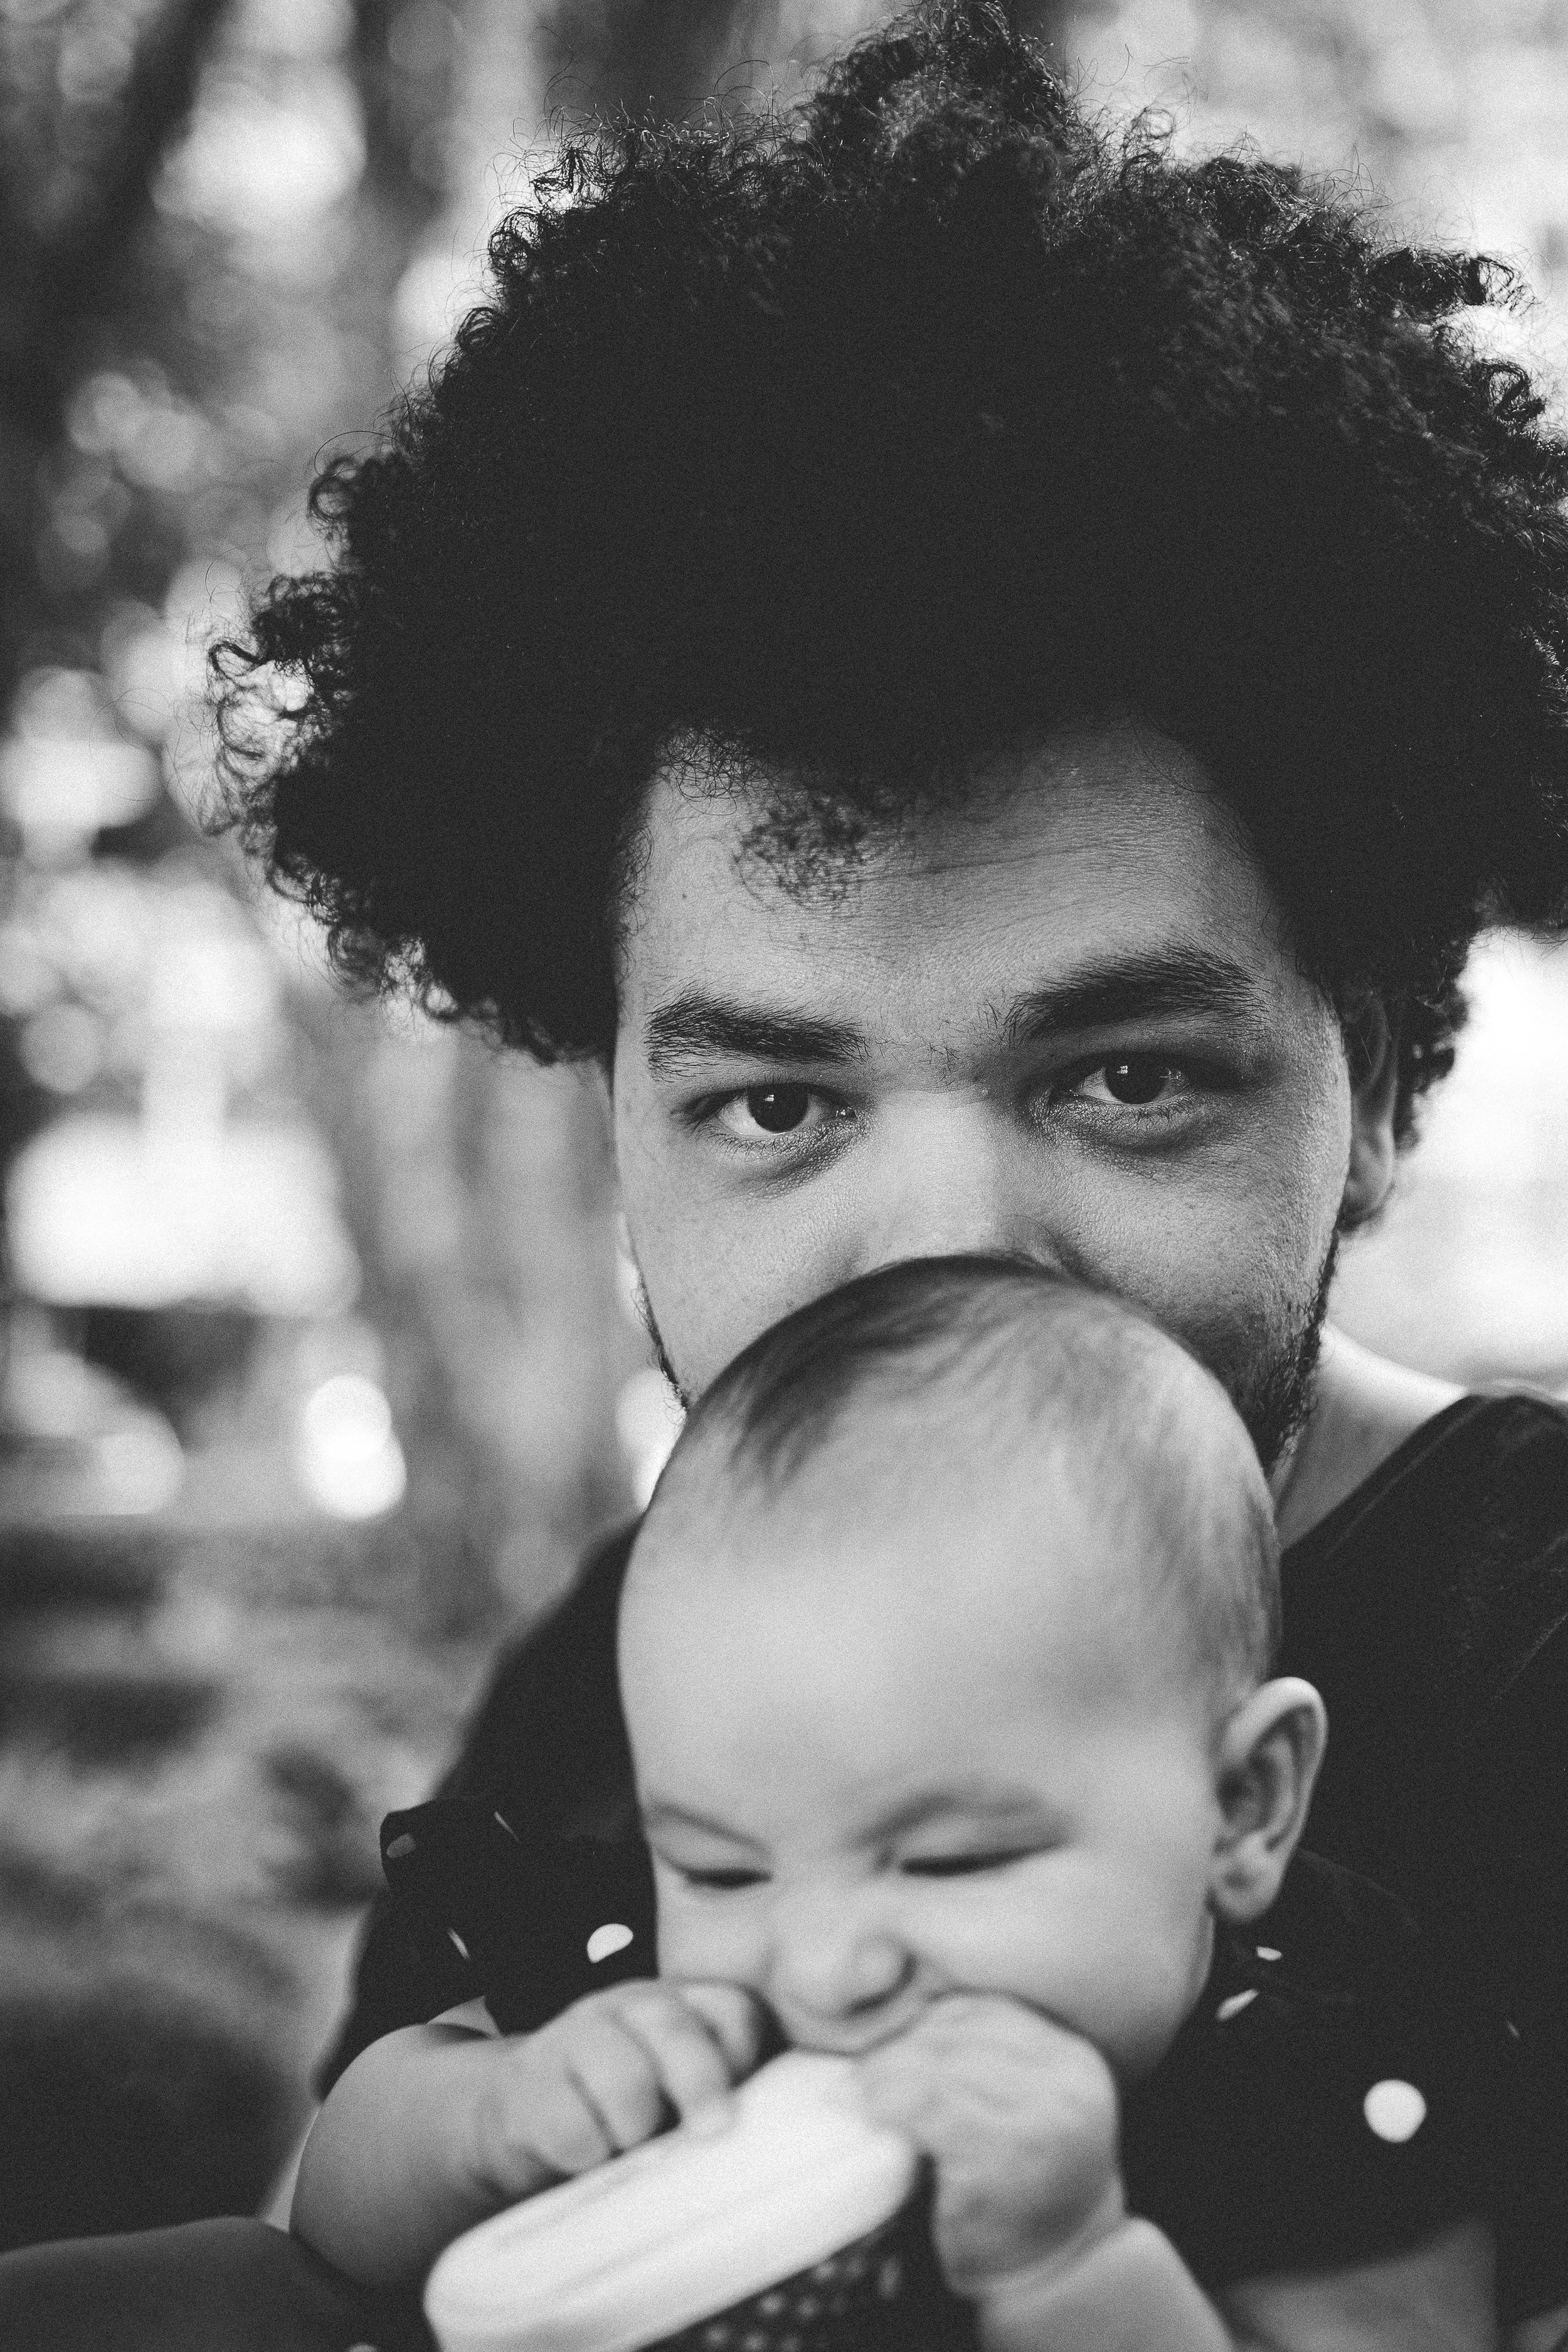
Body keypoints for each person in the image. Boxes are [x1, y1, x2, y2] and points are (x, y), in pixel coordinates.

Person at [8, 0, 1567, 2343]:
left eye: (1129, 1079)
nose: (939, 1250)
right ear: (609, 1091)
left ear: (1371, 1064)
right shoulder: (594, 1713)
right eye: (779, 1104)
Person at [294, 1261, 1508, 2351]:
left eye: (946, 1862)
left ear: (1240, 1806)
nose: (822, 1973)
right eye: (718, 1872)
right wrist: (491, 2117)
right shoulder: (650, 2008)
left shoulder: (1305, 2101)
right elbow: (337, 2214)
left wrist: (1068, 2265)